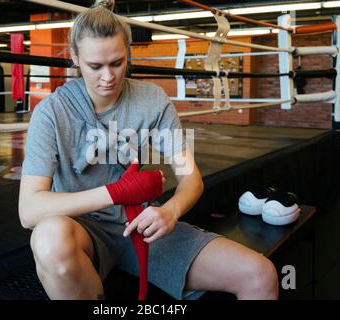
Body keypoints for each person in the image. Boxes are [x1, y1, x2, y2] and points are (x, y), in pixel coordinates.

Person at [19, 0, 279, 300]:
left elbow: (190, 178)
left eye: (117, 63)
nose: (108, 77)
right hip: (80, 230)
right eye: (95, 66)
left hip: (141, 225)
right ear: (75, 58)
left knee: (260, 275)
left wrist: (171, 211)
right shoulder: (51, 112)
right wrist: (117, 192)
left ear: (127, 52)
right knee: (49, 239)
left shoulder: (151, 100)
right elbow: (29, 211)